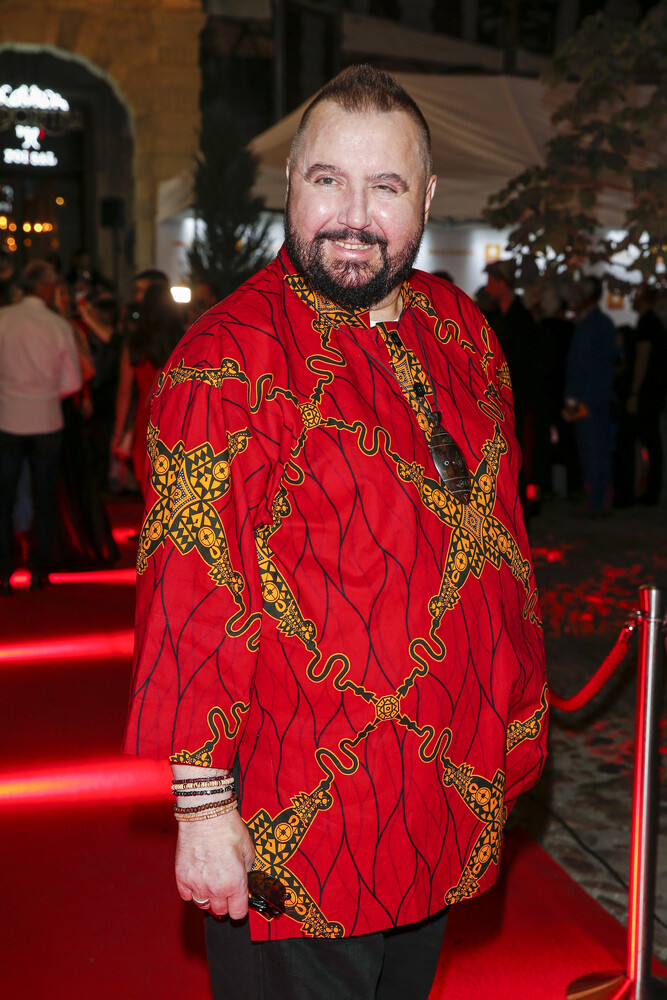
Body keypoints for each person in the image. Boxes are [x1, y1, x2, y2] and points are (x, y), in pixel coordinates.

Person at [123, 65, 547, 1000]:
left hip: (440, 795)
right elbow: (192, 588)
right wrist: (203, 807)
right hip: (301, 823)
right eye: (327, 180)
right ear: (290, 183)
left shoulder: (461, 330)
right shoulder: (227, 357)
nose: (353, 217)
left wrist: (515, 729)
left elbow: (501, 541)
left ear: (425, 198)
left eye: (384, 186)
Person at [0, 260, 82, 593]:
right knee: (44, 497)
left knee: (4, 499)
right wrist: (45, 393)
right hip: (47, 418)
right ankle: (40, 568)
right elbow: (73, 381)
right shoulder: (57, 325)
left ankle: (4, 571)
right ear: (45, 288)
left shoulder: (4, 319)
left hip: (8, 417)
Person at [112, 282, 183, 496]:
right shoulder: (185, 340)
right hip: (178, 417)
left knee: (148, 485)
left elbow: (124, 393)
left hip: (147, 420)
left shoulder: (135, 343)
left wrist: (118, 432)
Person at [484, 259, 542, 519]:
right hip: (505, 401)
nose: (488, 287)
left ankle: (521, 509)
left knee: (519, 454)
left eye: (491, 281)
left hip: (517, 401)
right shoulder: (504, 317)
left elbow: (522, 365)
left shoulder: (520, 319)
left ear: (502, 283)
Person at [564, 276, 617, 515]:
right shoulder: (603, 322)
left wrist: (572, 396)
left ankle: (595, 501)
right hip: (600, 395)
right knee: (599, 449)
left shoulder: (589, 324)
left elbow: (580, 363)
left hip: (585, 398)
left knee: (591, 450)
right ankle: (600, 499)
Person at [614, 284, 666, 506]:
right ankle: (649, 491)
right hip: (651, 393)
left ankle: (630, 493)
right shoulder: (651, 323)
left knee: (629, 440)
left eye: (636, 295)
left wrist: (634, 393)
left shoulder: (647, 324)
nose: (632, 299)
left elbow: (642, 359)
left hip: (644, 394)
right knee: (650, 442)